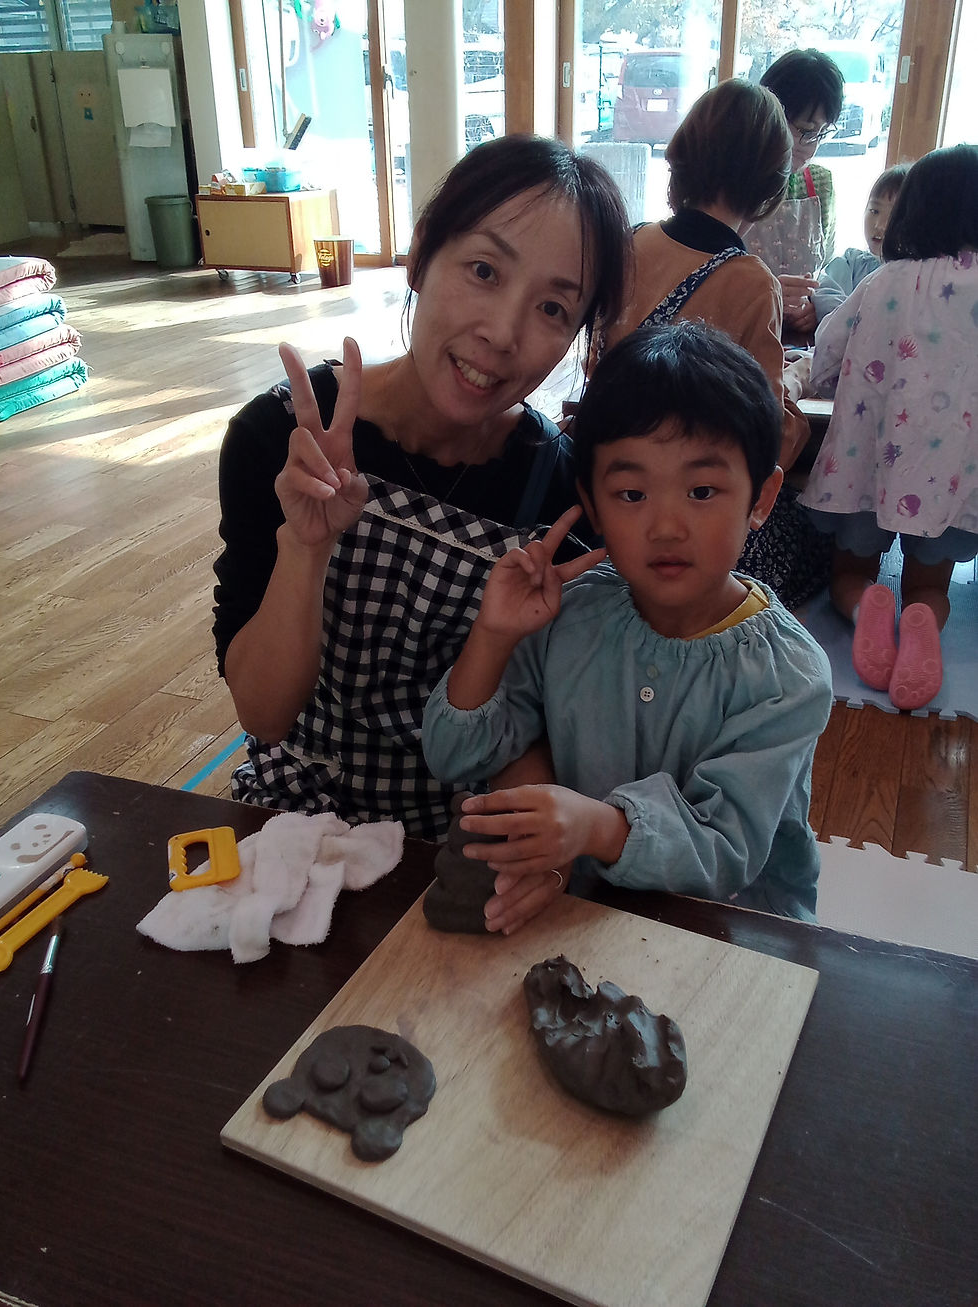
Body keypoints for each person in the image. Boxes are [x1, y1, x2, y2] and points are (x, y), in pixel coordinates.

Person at [212, 134, 632, 849]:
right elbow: (264, 714)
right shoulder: (282, 438)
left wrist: (529, 852)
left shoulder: (557, 491)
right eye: (483, 270)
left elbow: (537, 721)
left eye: (553, 309)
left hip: (464, 835)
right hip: (295, 820)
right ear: (420, 253)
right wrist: (306, 548)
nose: (502, 333)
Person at [423, 322, 834, 928]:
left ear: (762, 498)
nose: (666, 527)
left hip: (732, 926)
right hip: (583, 908)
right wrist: (494, 634)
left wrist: (595, 827)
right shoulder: (570, 615)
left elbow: (725, 849)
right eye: (632, 494)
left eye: (702, 490)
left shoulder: (787, 676)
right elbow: (454, 755)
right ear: (592, 503)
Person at [595, 77, 831, 610]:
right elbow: (767, 433)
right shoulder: (752, 282)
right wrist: (797, 377)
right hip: (691, 497)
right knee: (817, 539)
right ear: (770, 188)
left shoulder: (633, 241)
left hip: (615, 486)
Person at [800, 144, 978, 711]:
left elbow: (826, 349)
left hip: (868, 467)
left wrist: (806, 380)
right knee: (929, 584)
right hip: (952, 479)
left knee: (849, 571)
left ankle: (865, 607)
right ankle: (920, 618)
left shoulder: (885, 281)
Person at [745, 48, 845, 337]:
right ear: (770, 114)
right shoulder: (737, 179)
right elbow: (705, 275)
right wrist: (765, 293)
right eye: (805, 130)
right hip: (740, 333)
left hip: (796, 343)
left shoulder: (820, 182)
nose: (811, 148)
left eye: (821, 133)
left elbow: (827, 271)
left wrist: (816, 307)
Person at [811, 164, 909, 323]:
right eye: (874, 211)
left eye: (893, 217)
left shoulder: (917, 272)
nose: (879, 225)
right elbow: (826, 293)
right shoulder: (851, 262)